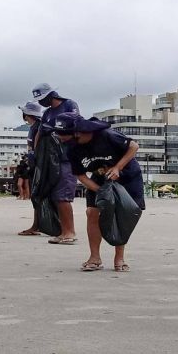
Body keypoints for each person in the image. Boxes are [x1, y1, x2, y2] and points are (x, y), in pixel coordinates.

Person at [52, 113, 144, 273]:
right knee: (91, 212)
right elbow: (80, 175)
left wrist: (118, 167)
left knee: (120, 215)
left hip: (126, 176)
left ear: (78, 132)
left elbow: (134, 146)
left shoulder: (106, 135)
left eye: (63, 135)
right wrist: (100, 191)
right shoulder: (71, 148)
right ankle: (95, 258)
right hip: (100, 178)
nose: (60, 138)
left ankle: (119, 258)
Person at [31, 83, 79, 244]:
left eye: (42, 99)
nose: (40, 102)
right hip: (51, 159)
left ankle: (70, 232)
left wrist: (57, 133)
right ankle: (62, 231)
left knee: (63, 196)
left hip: (67, 158)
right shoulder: (47, 113)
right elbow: (39, 133)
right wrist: (35, 153)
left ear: (51, 95)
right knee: (54, 196)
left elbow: (75, 125)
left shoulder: (69, 105)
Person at [17, 101, 44, 236]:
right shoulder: (33, 127)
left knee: (38, 195)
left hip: (39, 165)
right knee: (35, 196)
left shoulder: (39, 127)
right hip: (33, 164)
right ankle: (37, 225)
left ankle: (38, 225)